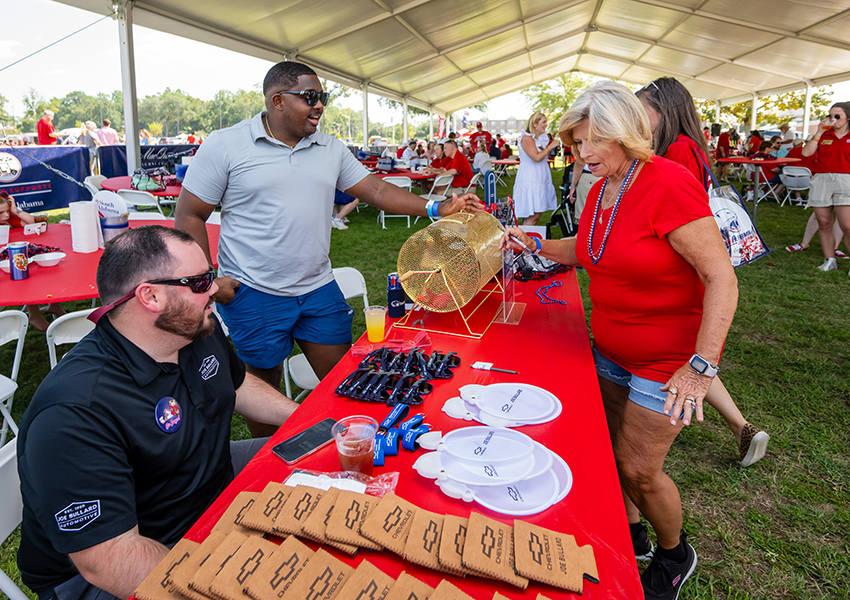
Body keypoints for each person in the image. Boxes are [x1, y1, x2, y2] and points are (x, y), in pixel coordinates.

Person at [502, 80, 738, 600]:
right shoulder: (602, 184)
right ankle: (632, 536)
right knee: (612, 453)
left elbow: (721, 277)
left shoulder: (668, 182)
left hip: (667, 360)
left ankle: (675, 555)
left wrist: (699, 368)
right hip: (612, 350)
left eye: (592, 142)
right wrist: (535, 240)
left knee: (639, 468)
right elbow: (588, 248)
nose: (581, 153)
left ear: (626, 134)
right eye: (577, 143)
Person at [174, 62, 482, 437]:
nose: (319, 106)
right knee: (264, 387)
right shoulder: (225, 145)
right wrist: (207, 281)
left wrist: (437, 207)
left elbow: (379, 191)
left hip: (318, 288)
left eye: (323, 97)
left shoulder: (329, 146)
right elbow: (190, 214)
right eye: (310, 97)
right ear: (277, 101)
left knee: (346, 382)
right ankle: (270, 460)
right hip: (254, 292)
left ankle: (352, 442)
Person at [15, 225, 301, 600]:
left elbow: (236, 383)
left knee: (316, 451)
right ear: (150, 296)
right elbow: (109, 559)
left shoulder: (194, 327)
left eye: (210, 276)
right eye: (200, 282)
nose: (214, 289)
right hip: (115, 564)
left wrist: (308, 418)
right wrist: (232, 580)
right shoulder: (75, 410)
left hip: (201, 480)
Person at [636, 76, 770, 469]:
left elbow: (678, 212)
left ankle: (726, 426)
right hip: (689, 265)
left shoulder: (677, 151)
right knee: (687, 355)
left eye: (642, 109)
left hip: (684, 268)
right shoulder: (687, 144)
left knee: (686, 356)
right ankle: (742, 429)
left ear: (663, 111)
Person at [0, 192, 66, 331]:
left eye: (7, 212)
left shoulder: (10, 220)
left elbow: (33, 222)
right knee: (24, 274)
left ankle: (54, 304)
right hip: (6, 267)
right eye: (1, 213)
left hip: (19, 257)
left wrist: (15, 210)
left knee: (45, 267)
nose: (5, 216)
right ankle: (34, 314)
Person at [801, 102, 850, 272]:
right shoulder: (824, 134)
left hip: (846, 180)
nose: (832, 119)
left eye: (837, 116)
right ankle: (830, 260)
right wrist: (819, 131)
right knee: (823, 222)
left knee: (847, 225)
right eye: (830, 116)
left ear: (848, 118)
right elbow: (806, 153)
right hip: (822, 179)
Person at [513, 111, 559, 226]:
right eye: (544, 122)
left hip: (539, 178)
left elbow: (543, 156)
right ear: (535, 124)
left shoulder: (540, 139)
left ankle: (523, 239)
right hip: (530, 178)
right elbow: (536, 157)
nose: (546, 125)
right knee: (533, 216)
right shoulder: (527, 138)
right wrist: (550, 147)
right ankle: (523, 240)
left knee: (534, 216)